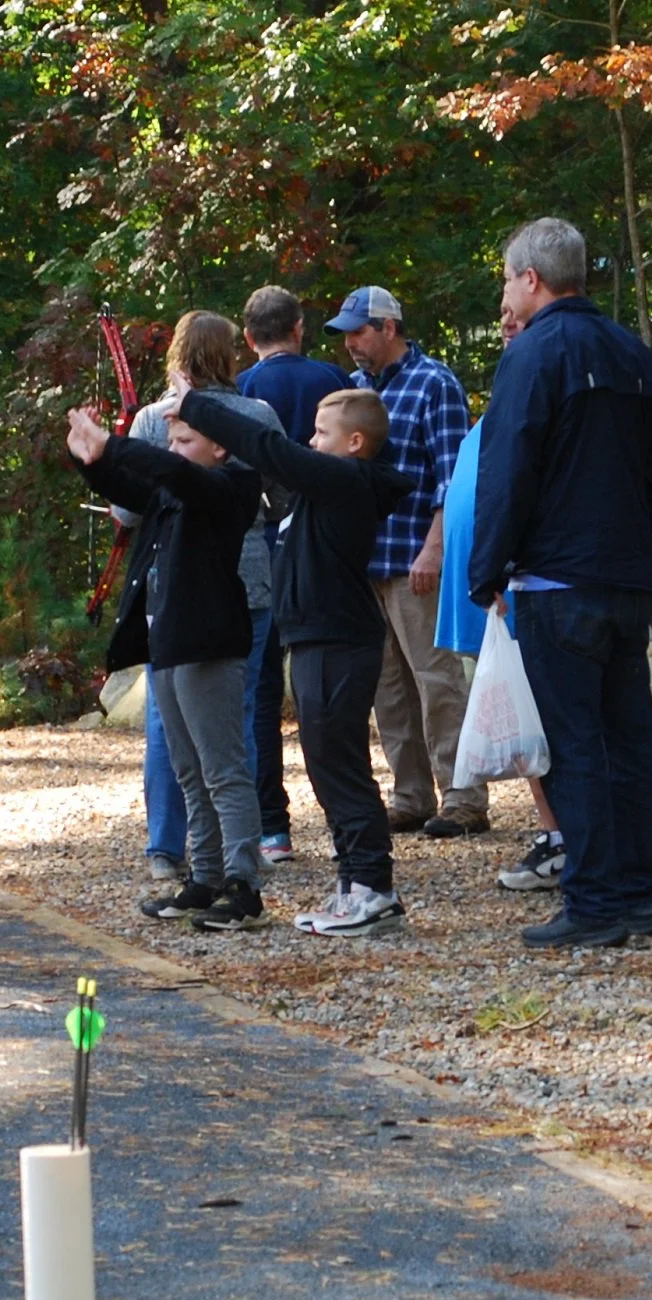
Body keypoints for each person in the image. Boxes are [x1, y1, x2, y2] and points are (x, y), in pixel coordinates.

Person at [470, 218, 652, 950]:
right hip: (622, 574)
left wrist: (487, 567)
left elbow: (510, 466)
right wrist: (643, 561)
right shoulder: (633, 354)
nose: (504, 292)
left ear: (531, 279)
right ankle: (642, 893)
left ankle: (591, 902)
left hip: (558, 579)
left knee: (576, 743)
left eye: (505, 277)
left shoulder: (533, 356)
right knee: (627, 739)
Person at [179, 386, 415, 937]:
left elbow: (270, 449)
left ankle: (373, 888)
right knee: (325, 765)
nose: (311, 442)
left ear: (355, 443)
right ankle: (354, 881)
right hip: (316, 640)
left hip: (339, 641)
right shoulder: (328, 487)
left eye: (321, 434)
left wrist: (197, 405)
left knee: (340, 764)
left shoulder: (346, 479)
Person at [66, 387, 269, 931]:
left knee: (222, 769)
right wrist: (92, 457)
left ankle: (242, 883)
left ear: (220, 448)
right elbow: (130, 485)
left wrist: (116, 443)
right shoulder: (175, 492)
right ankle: (203, 878)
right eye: (172, 441)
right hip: (169, 644)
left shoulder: (227, 487)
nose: (175, 450)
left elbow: (172, 473)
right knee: (188, 770)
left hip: (209, 642)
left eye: (186, 440)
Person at [112, 313, 289, 883]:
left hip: (178, 585)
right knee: (237, 717)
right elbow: (282, 494)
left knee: (172, 723)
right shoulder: (256, 414)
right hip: (249, 578)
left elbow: (126, 509)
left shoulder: (151, 418)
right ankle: (250, 839)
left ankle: (170, 846)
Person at [327, 285, 486, 838]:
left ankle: (463, 796)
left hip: (415, 559)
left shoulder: (435, 384)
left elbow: (452, 475)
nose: (351, 343)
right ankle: (411, 793)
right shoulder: (355, 390)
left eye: (358, 331)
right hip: (365, 561)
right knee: (387, 690)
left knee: (436, 681)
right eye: (346, 334)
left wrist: (435, 549)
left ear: (389, 327)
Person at [436, 303, 566, 893]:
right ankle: (557, 831)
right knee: (530, 720)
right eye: (504, 317)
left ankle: (564, 837)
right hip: (496, 597)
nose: (508, 323)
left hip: (527, 593)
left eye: (519, 315)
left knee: (547, 720)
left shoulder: (540, 411)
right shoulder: (491, 419)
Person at [236, 285, 351, 865]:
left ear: (250, 335)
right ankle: (342, 823)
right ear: (300, 327)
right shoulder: (331, 380)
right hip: (326, 546)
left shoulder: (243, 394)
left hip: (265, 546)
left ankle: (273, 827)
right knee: (321, 691)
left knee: (260, 693)